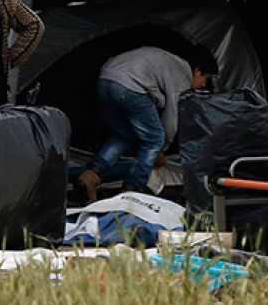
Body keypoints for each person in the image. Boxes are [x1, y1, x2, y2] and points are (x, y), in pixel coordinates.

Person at [76, 46, 219, 201]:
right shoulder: (182, 73)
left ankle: (91, 176)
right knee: (154, 139)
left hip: (105, 81)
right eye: (206, 78)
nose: (203, 85)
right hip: (130, 86)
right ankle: (133, 188)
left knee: (124, 135)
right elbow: (171, 118)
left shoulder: (165, 60)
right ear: (197, 71)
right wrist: (160, 150)